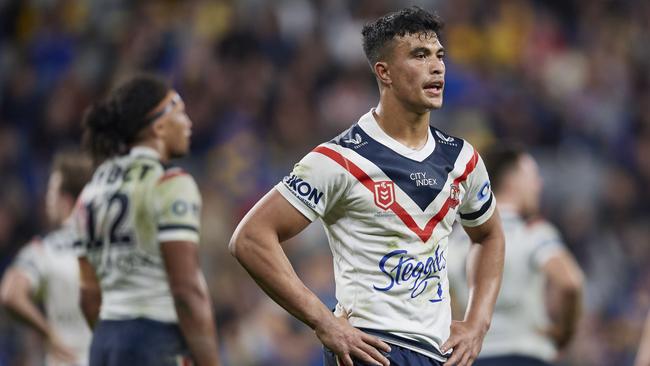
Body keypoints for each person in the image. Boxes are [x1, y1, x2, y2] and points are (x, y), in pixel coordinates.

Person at [230, 7, 505, 366]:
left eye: (439, 56)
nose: (436, 66)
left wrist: (477, 324)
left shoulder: (462, 159)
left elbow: (489, 236)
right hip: (370, 351)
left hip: (438, 354)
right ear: (384, 72)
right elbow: (250, 238)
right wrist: (322, 320)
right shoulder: (338, 160)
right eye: (419, 56)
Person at [71, 75, 220, 366]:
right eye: (180, 112)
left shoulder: (91, 191)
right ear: (159, 126)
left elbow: (88, 296)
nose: (189, 123)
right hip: (155, 338)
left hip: (104, 342)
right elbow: (186, 291)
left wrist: (114, 344)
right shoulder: (169, 183)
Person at [447, 144, 584, 366]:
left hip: (474, 355)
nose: (538, 185)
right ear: (512, 180)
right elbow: (571, 282)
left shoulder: (454, 238)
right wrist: (564, 332)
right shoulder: (532, 232)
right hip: (525, 353)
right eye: (532, 176)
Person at [0, 151, 93, 366]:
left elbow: (10, 294)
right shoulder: (112, 246)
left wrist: (47, 334)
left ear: (65, 199)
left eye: (51, 191)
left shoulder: (45, 249)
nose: (47, 199)